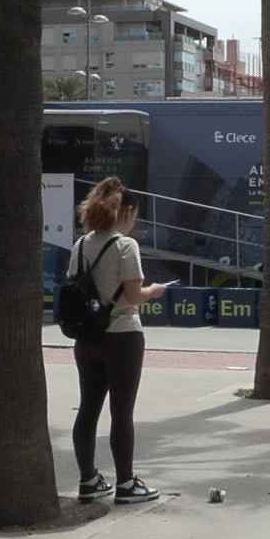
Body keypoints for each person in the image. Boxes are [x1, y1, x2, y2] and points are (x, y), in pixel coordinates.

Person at [69, 178, 168, 505]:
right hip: (122, 335)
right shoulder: (126, 246)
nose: (134, 221)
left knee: (88, 407)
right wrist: (154, 291)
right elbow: (134, 295)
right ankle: (126, 483)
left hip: (87, 337)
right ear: (124, 212)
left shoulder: (80, 245)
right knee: (121, 411)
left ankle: (89, 480)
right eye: (134, 214)